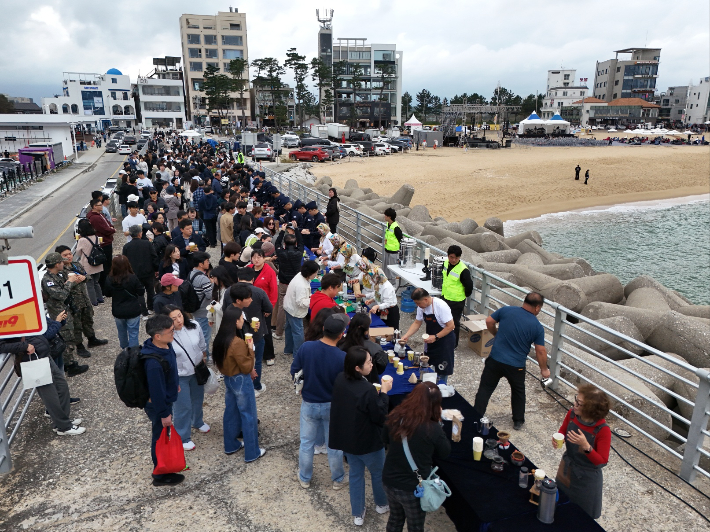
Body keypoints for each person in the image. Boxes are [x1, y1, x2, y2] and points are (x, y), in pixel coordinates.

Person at [329, 346, 392, 526]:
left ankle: (358, 513)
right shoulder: (367, 389)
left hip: (348, 440)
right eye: (369, 362)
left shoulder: (340, 379)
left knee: (356, 475)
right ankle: (381, 504)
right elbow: (379, 416)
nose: (372, 364)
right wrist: (385, 392)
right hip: (368, 441)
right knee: (378, 473)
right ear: (357, 368)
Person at [473, 292, 550, 431]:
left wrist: (495, 334)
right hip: (516, 366)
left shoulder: (506, 310)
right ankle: (518, 421)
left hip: (495, 359)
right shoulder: (537, 326)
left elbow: (489, 321)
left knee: (485, 388)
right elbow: (540, 351)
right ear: (537, 308)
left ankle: (475, 415)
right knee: (518, 391)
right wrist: (544, 369)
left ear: (524, 301)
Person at [382, 382, 451, 532]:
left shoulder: (396, 415)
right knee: (415, 527)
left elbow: (385, 439)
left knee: (395, 519)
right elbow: (445, 452)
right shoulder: (432, 428)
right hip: (412, 488)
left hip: (389, 479)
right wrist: (438, 422)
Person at [291, 314, 349, 490]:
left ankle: (305, 477)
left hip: (309, 402)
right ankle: (338, 478)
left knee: (307, 443)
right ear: (341, 335)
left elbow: (294, 371)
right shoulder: (342, 357)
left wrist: (301, 387)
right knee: (335, 445)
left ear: (323, 329)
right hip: (332, 404)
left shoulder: (306, 348)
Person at [1, 314, 85, 435]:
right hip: (32, 359)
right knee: (50, 394)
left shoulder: (20, 308)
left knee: (61, 386)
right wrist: (24, 346)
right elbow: (2, 345)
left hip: (44, 355)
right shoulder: (5, 314)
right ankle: (64, 426)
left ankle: (62, 422)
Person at [212, 291, 266, 462]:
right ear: (236, 321)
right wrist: (250, 350)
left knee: (231, 412)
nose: (243, 321)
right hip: (241, 380)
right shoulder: (237, 343)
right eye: (242, 319)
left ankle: (231, 445)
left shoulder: (221, 339)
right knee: (248, 415)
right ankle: (252, 452)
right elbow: (247, 366)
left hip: (229, 378)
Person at [553, 384, 611, 519]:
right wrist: (558, 438)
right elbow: (563, 431)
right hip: (567, 469)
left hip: (586, 479)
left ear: (591, 410)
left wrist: (586, 446)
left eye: (579, 403)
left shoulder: (603, 430)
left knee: (581, 517)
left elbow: (601, 461)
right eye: (576, 400)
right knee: (560, 505)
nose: (575, 404)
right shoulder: (572, 414)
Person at [142, 315, 184, 487]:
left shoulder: (165, 345)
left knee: (162, 434)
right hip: (159, 405)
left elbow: (170, 370)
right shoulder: (153, 363)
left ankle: (164, 467)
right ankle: (159, 474)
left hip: (166, 397)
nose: (173, 333)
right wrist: (164, 414)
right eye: (170, 331)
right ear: (157, 336)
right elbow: (156, 391)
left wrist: (175, 385)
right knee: (159, 436)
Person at [163, 305, 209, 452]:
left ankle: (197, 421)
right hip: (179, 375)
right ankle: (183, 436)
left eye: (180, 316)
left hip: (196, 370)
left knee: (197, 398)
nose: (178, 320)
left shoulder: (194, 325)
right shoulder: (165, 335)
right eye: (173, 318)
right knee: (182, 406)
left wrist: (204, 357)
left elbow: (202, 344)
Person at [41, 252, 88, 376]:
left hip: (66, 310)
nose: (63, 263)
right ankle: (70, 366)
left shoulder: (58, 275)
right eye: (61, 262)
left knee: (70, 336)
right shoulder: (48, 280)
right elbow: (60, 295)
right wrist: (70, 282)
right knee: (66, 338)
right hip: (59, 313)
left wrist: (74, 280)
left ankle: (70, 362)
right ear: (57, 264)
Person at [56, 246, 108, 357]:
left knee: (88, 319)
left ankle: (92, 339)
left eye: (70, 253)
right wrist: (74, 281)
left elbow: (87, 275)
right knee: (77, 325)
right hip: (73, 303)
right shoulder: (60, 271)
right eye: (65, 255)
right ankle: (79, 346)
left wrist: (84, 278)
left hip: (84, 299)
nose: (69, 256)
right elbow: (61, 288)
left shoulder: (76, 265)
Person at [401, 288, 456, 383]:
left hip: (445, 341)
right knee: (427, 364)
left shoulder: (440, 306)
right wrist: (406, 335)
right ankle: (429, 385)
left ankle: (441, 388)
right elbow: (417, 322)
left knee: (442, 369)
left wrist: (436, 337)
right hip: (431, 340)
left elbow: (451, 326)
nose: (417, 306)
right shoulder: (421, 307)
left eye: (418, 303)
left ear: (425, 299)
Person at [103, 255, 146, 350]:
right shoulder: (132, 277)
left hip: (118, 309)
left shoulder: (110, 278)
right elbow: (141, 292)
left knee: (121, 331)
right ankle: (133, 353)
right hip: (133, 309)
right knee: (133, 333)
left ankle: (124, 349)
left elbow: (107, 293)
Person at [273, 226, 305, 341]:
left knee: (282, 306)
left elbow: (276, 242)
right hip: (296, 282)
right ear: (295, 244)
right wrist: (296, 229)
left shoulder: (281, 252)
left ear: (284, 244)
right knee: (296, 305)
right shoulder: (299, 252)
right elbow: (302, 242)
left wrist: (282, 231)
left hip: (283, 282)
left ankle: (279, 332)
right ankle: (294, 330)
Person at [283, 261, 320, 357]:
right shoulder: (301, 285)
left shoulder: (300, 275)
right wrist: (312, 299)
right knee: (298, 332)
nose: (316, 275)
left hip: (288, 306)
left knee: (289, 329)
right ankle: (298, 354)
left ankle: (288, 349)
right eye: (315, 273)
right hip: (295, 311)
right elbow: (301, 302)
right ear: (309, 273)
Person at [337, 313, 388, 383]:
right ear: (366, 331)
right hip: (369, 382)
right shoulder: (375, 348)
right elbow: (381, 367)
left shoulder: (340, 344)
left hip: (345, 381)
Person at [122, 225, 158, 317]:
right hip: (148, 271)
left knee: (139, 293)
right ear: (139, 233)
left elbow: (125, 261)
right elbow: (154, 257)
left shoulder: (127, 246)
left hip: (134, 273)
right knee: (150, 290)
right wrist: (156, 269)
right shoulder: (147, 244)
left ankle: (143, 312)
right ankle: (151, 308)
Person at [440, 245, 473, 347]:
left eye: (456, 258)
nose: (453, 260)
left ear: (460, 257)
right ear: (448, 256)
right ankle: (443, 340)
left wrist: (463, 295)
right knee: (442, 320)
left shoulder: (463, 270)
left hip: (456, 301)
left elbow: (469, 286)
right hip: (445, 297)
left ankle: (453, 344)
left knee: (454, 323)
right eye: (451, 257)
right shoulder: (445, 263)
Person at [358, 258, 400, 330]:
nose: (371, 280)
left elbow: (388, 303)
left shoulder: (387, 287)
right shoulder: (378, 284)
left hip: (390, 312)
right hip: (383, 310)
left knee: (391, 330)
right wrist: (372, 299)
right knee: (381, 328)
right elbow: (377, 294)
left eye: (372, 278)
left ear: (377, 278)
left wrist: (377, 306)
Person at [188, 252, 214, 361]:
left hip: (196, 308)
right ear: (201, 264)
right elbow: (209, 295)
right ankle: (205, 357)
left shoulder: (191, 273)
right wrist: (212, 283)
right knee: (204, 336)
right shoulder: (203, 278)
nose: (208, 263)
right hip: (204, 310)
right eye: (207, 261)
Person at [86, 198, 116, 288]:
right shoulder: (94, 217)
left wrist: (111, 227)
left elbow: (107, 223)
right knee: (106, 265)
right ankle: (106, 285)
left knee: (108, 263)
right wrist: (112, 230)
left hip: (107, 241)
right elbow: (104, 229)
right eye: (100, 205)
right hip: (104, 243)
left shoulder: (99, 214)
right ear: (95, 206)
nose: (102, 206)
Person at [74, 219, 104, 306]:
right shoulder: (96, 237)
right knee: (96, 282)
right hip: (97, 263)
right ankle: (100, 298)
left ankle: (94, 301)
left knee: (89, 284)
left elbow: (78, 253)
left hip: (87, 264)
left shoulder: (82, 240)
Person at [383, 208, 403, 282]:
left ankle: (394, 285)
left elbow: (401, 239)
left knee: (393, 272)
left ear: (389, 217)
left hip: (394, 252)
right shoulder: (388, 224)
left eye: (386, 215)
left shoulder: (396, 228)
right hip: (387, 250)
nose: (384, 216)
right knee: (386, 270)